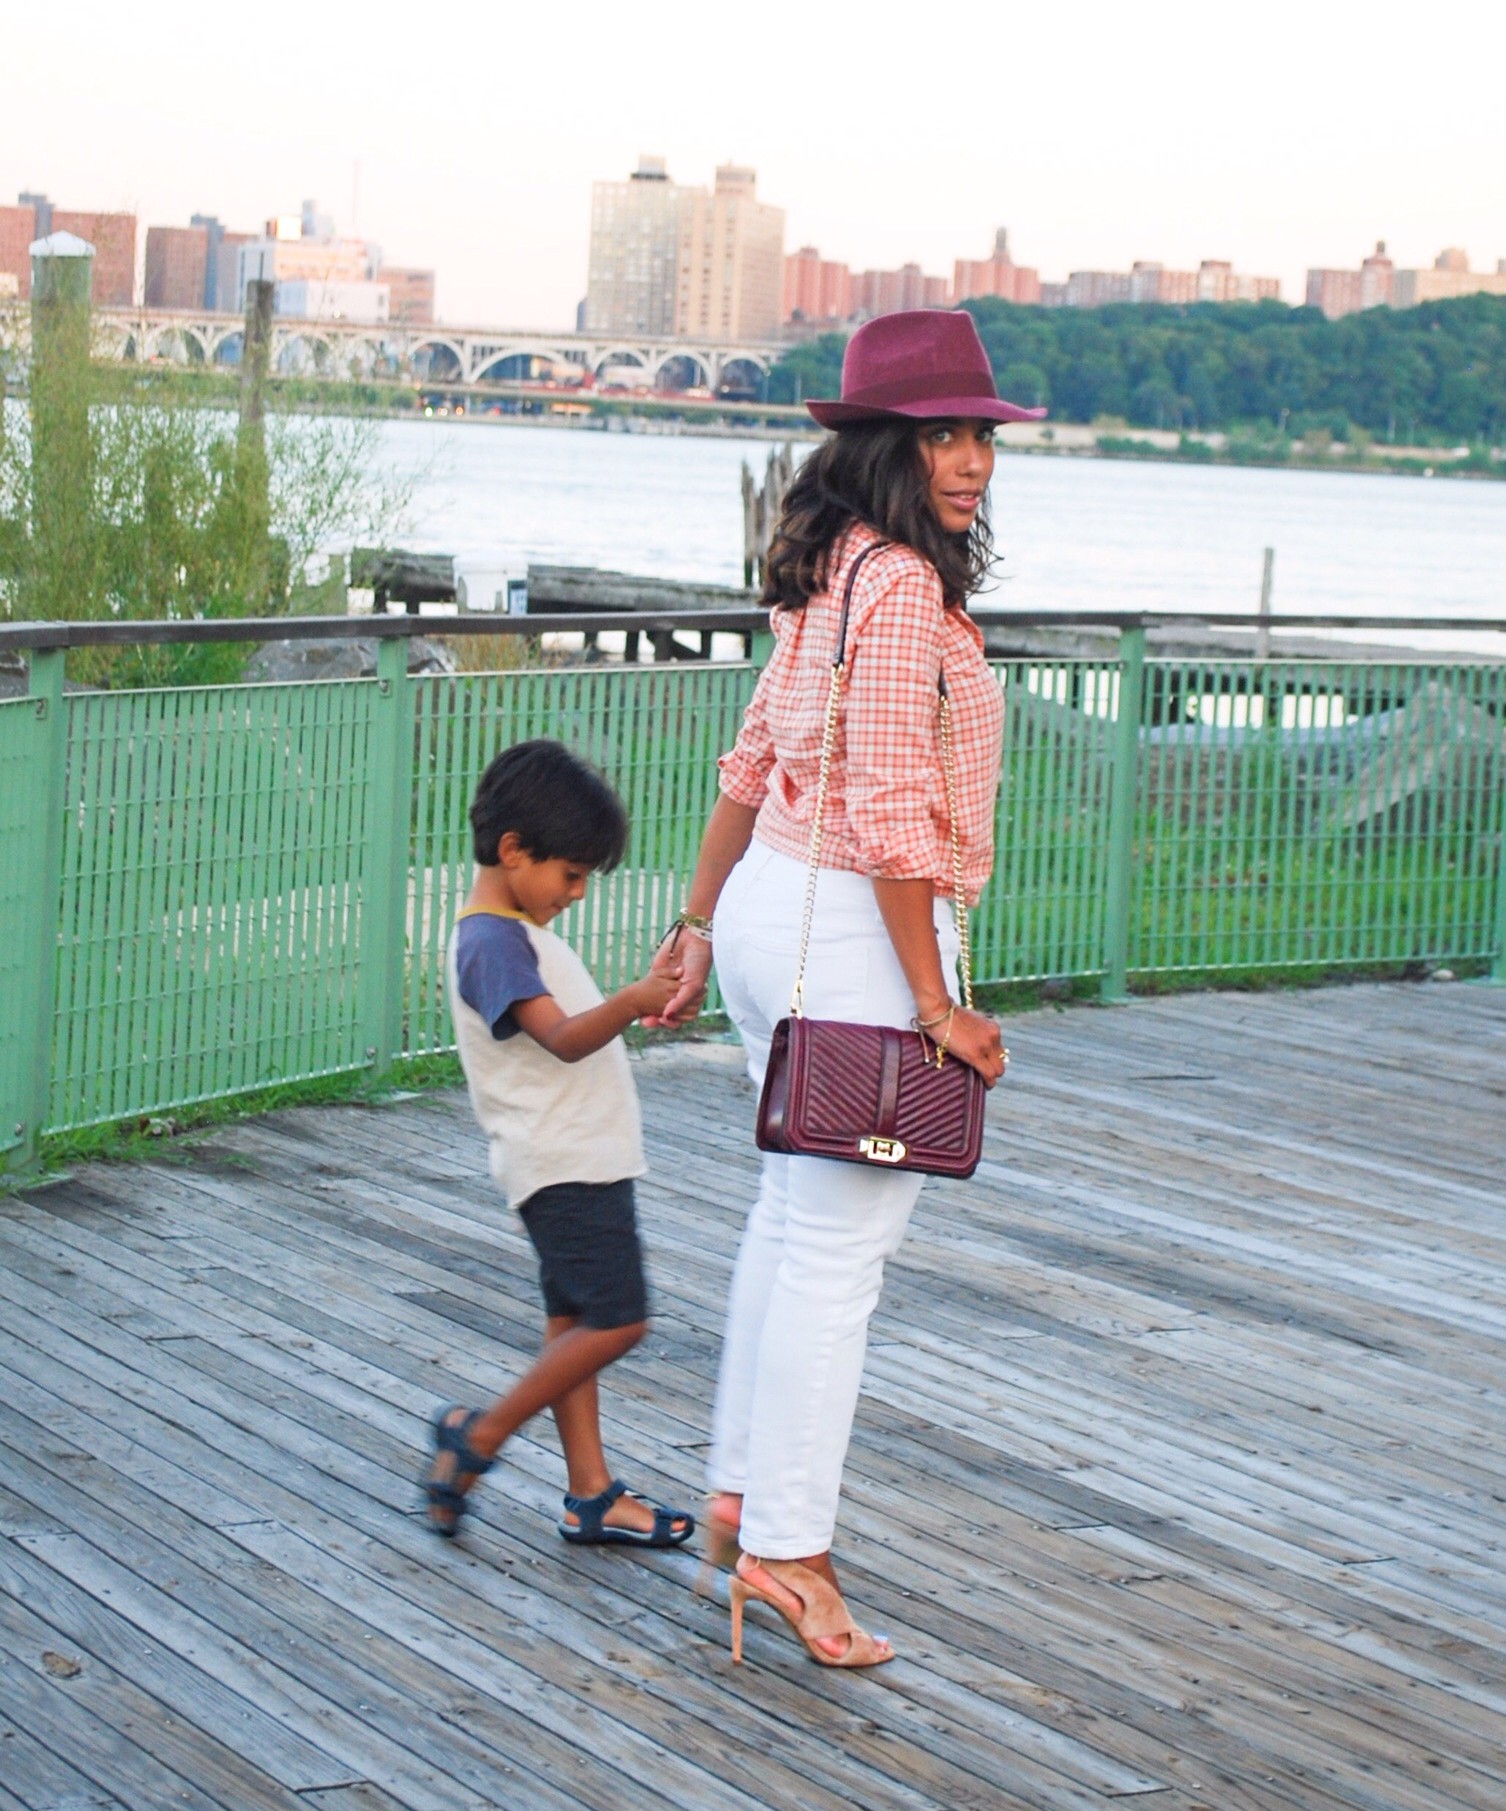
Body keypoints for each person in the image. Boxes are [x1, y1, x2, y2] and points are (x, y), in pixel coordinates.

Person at [649, 311, 1039, 1665]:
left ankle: (741, 1490)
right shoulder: (895, 590)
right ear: (880, 443)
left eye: (979, 433)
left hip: (775, 907)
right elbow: (886, 815)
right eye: (941, 433)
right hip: (854, 930)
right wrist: (939, 1007)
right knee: (838, 1250)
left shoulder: (828, 572)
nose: (971, 459)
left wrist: (696, 924)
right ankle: (788, 1550)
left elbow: (751, 754)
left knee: (791, 1214)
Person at [423, 738, 696, 1551]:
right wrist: (634, 997)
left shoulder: (508, 930)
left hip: (576, 1157)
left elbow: (574, 1027)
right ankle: (479, 1434)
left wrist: (638, 1001)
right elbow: (567, 1039)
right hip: (565, 1165)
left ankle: (591, 1493)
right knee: (620, 1319)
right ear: (513, 851)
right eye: (570, 875)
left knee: (573, 1320)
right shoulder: (491, 942)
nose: (575, 893)